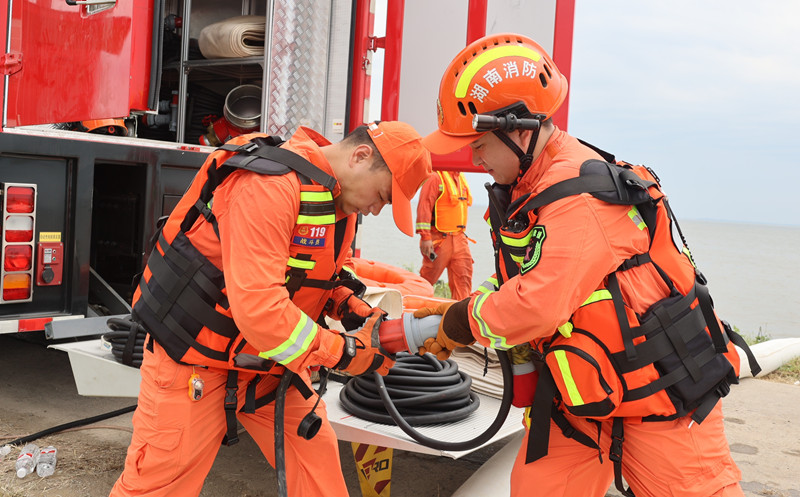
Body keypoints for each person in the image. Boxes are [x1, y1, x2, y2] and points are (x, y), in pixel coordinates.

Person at [415, 33, 757, 497]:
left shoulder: (580, 198)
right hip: (581, 393)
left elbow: (538, 303)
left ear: (520, 131)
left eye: (478, 143)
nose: (471, 156)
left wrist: (463, 319)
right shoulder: (527, 190)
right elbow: (525, 273)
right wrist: (471, 308)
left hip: (660, 397)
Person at [109, 121, 432, 497]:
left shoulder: (331, 199)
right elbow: (260, 308)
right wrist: (342, 352)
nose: (375, 210)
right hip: (196, 364)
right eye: (381, 195)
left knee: (318, 478)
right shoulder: (268, 186)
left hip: (268, 366)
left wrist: (350, 307)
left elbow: (312, 274)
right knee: (157, 487)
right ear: (361, 156)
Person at [415, 170, 474, 299]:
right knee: (427, 280)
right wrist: (425, 237)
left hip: (460, 238)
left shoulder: (461, 177)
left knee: (463, 279)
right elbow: (424, 205)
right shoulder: (435, 177)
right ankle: (414, 306)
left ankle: (459, 315)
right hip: (439, 238)